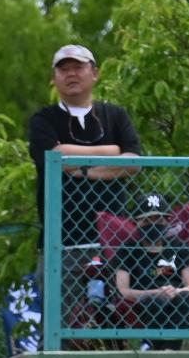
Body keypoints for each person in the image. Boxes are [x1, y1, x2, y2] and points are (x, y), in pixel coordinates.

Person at [29, 44, 142, 318]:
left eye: (78, 67)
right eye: (63, 69)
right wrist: (109, 153)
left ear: (95, 74)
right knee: (59, 326)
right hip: (61, 242)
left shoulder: (115, 116)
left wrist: (79, 168)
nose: (71, 74)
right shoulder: (43, 119)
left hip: (112, 242)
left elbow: (133, 162)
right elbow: (54, 156)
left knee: (116, 325)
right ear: (54, 78)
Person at [111, 192, 189, 349]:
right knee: (155, 301)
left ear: (167, 221)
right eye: (146, 220)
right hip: (144, 301)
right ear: (136, 223)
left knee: (186, 297)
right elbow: (123, 290)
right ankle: (160, 348)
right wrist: (154, 293)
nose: (153, 224)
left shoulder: (178, 246)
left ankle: (166, 348)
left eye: (158, 219)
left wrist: (175, 291)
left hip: (176, 296)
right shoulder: (128, 250)